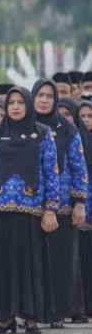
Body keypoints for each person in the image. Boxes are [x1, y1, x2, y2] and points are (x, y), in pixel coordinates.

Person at [0, 87, 59, 334]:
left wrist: (51, 209)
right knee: (3, 263)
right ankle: (6, 316)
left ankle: (31, 317)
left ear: (29, 105)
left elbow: (50, 172)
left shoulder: (43, 134)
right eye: (11, 102)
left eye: (21, 102)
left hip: (32, 211)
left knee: (31, 264)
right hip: (1, 209)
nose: (15, 107)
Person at [31, 79, 87, 327]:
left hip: (63, 205)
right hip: (30, 206)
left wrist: (79, 203)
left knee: (62, 260)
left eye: (49, 96)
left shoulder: (67, 129)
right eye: (40, 95)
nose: (44, 100)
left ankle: (62, 311)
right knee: (36, 261)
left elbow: (78, 168)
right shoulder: (23, 126)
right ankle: (36, 310)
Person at [75, 99, 92, 321]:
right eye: (83, 117)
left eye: (90, 116)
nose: (87, 121)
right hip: (81, 207)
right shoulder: (74, 141)